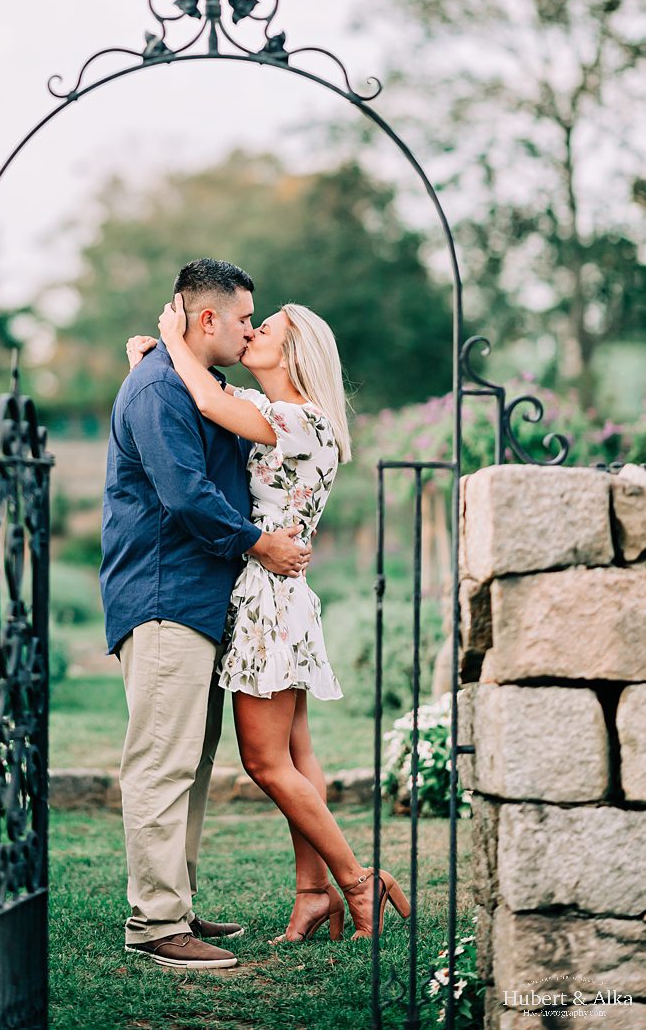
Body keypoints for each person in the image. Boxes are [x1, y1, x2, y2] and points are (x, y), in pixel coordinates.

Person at [126, 292, 411, 945]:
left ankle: (358, 882)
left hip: (269, 600)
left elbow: (206, 401)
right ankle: (313, 894)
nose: (250, 332)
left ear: (294, 353)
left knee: (263, 760)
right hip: (280, 596)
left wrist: (171, 341)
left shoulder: (302, 421)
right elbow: (199, 400)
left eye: (265, 329)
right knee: (296, 754)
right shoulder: (271, 411)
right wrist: (147, 363)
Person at [100, 258, 312, 970]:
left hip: (197, 598)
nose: (251, 329)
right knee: (161, 763)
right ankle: (156, 923)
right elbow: (186, 494)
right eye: (245, 317)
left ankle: (176, 905)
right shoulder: (159, 387)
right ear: (208, 317)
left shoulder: (188, 381)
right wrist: (260, 544)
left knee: (189, 761)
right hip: (164, 595)